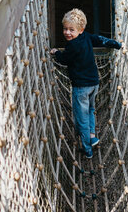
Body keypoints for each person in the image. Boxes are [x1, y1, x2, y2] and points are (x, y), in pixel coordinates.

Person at [50, 8, 121, 158]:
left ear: (80, 30)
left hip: (80, 87)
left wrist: (56, 52)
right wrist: (115, 44)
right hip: (94, 83)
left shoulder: (71, 46)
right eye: (65, 29)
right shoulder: (87, 37)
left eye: (71, 30)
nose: (67, 32)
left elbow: (63, 59)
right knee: (90, 110)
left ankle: (87, 149)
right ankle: (92, 135)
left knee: (81, 117)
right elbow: (101, 39)